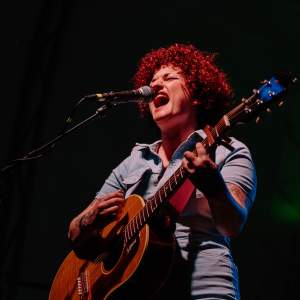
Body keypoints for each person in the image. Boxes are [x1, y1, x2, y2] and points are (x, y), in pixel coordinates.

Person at [68, 43, 257, 300]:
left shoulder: (228, 151)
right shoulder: (133, 162)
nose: (156, 85)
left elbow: (232, 224)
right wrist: (89, 221)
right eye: (153, 80)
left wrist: (213, 185)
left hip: (203, 290)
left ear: (197, 95)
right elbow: (75, 233)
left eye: (169, 78)